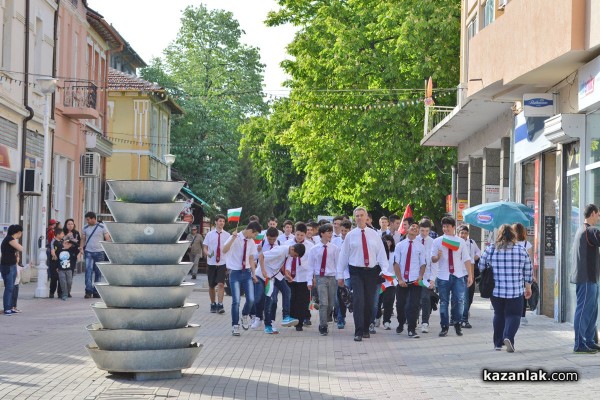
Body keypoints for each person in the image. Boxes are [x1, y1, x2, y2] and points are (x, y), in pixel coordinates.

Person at [337, 207, 388, 342]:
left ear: (366, 218)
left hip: (372, 272)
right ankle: (358, 331)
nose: (359, 218)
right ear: (354, 218)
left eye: (362, 215)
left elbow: (381, 254)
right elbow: (343, 256)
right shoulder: (350, 235)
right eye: (357, 216)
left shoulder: (374, 235)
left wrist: (385, 270)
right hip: (356, 272)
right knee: (359, 300)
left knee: (369, 302)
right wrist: (340, 275)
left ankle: (366, 328)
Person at [479, 224, 533, 352]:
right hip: (515, 290)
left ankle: (498, 344)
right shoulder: (520, 250)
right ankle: (508, 336)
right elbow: (528, 270)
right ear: (513, 236)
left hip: (496, 291)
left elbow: (481, 266)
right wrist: (528, 287)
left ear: (499, 235)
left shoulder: (491, 249)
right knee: (514, 315)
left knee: (498, 314)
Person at [431, 216, 473, 337]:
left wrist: (470, 275)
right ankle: (444, 326)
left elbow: (466, 258)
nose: (445, 229)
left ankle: (457, 323)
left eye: (448, 227)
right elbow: (432, 259)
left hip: (458, 275)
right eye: (444, 227)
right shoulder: (437, 241)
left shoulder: (460, 241)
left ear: (453, 227)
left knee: (459, 301)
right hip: (443, 276)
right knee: (444, 302)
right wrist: (438, 257)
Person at [570, 204, 600, 354]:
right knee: (583, 311)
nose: (599, 218)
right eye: (598, 215)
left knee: (592, 311)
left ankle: (589, 340)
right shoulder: (589, 230)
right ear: (593, 214)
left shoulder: (581, 230)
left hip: (590, 278)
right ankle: (579, 343)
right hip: (586, 278)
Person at [223, 221, 261, 336]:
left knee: (251, 299)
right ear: (250, 231)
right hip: (235, 272)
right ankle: (235, 325)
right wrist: (233, 239)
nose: (254, 237)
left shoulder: (251, 242)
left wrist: (254, 274)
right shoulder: (235, 237)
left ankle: (244, 315)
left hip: (247, 272)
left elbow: (250, 258)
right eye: (254, 234)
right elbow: (224, 250)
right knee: (236, 301)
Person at [258, 243, 305, 334]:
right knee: (269, 299)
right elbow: (261, 256)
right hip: (267, 275)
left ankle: (286, 316)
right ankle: (267, 326)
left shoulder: (288, 253)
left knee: (287, 291)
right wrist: (263, 270)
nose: (294, 257)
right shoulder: (280, 251)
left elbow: (279, 264)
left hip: (275, 274)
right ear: (292, 248)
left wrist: (287, 274)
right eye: (295, 255)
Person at [393, 222, 426, 338]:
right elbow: (396, 263)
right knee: (400, 305)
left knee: (413, 305)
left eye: (417, 228)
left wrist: (420, 276)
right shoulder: (400, 245)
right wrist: (400, 279)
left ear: (418, 233)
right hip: (402, 280)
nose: (414, 228)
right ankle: (401, 322)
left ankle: (412, 329)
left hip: (415, 280)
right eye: (412, 227)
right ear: (407, 230)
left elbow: (423, 264)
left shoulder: (420, 247)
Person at [308, 223, 340, 336]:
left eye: (331, 232)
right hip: (320, 277)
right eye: (328, 232)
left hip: (332, 278)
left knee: (331, 303)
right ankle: (323, 325)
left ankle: (326, 318)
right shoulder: (314, 249)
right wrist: (309, 280)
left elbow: (338, 264)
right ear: (322, 233)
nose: (330, 234)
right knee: (323, 303)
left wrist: (340, 278)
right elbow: (310, 266)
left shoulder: (334, 248)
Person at [284, 222, 314, 331]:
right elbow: (286, 259)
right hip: (290, 276)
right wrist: (286, 272)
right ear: (294, 233)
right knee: (292, 298)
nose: (299, 237)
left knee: (302, 300)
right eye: (297, 234)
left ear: (305, 234)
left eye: (302, 235)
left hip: (303, 276)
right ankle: (292, 318)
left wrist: (312, 278)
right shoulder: (288, 244)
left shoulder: (310, 246)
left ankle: (300, 323)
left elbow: (312, 263)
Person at [203, 214, 231, 314]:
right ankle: (213, 303)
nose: (222, 223)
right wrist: (208, 254)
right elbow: (205, 248)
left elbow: (229, 249)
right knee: (211, 286)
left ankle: (220, 304)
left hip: (222, 263)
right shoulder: (209, 234)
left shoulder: (227, 235)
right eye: (220, 221)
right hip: (211, 262)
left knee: (221, 284)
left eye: (223, 221)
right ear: (216, 222)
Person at [81, 212, 110, 299]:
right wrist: (81, 248)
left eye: (88, 219)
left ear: (93, 218)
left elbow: (107, 238)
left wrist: (108, 247)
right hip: (88, 252)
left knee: (98, 272)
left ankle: (96, 291)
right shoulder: (85, 228)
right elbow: (83, 239)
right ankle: (88, 291)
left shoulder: (102, 227)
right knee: (88, 271)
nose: (87, 221)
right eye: (86, 219)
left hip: (99, 252)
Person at [457, 225, 481, 329]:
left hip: (468, 272)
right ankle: (461, 319)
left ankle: (464, 317)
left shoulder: (471, 243)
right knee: (459, 298)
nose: (463, 235)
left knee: (468, 298)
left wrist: (474, 257)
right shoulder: (455, 242)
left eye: (465, 233)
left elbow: (479, 252)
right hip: (457, 273)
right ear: (458, 233)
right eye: (461, 233)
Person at [417, 219, 436, 333]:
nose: (424, 233)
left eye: (426, 231)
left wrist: (433, 279)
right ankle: (413, 319)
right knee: (414, 300)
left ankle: (425, 322)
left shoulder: (433, 242)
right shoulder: (414, 241)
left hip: (427, 276)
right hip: (415, 276)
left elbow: (435, 263)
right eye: (422, 230)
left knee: (425, 298)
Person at [513, 222, 534, 326]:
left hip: (518, 273)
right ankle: (521, 316)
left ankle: (521, 315)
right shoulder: (525, 244)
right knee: (520, 295)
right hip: (519, 273)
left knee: (521, 295)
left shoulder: (525, 244)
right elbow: (530, 262)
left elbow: (530, 261)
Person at [333, 219, 352, 329]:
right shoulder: (335, 242)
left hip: (348, 274)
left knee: (345, 296)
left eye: (346, 231)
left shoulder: (352, 241)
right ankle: (340, 317)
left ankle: (341, 317)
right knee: (337, 298)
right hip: (337, 273)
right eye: (342, 231)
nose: (344, 233)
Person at [1, 225, 23, 315]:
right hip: (8, 266)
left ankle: (11, 307)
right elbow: (21, 248)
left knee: (12, 287)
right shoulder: (9, 239)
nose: (21, 234)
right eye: (21, 232)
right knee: (9, 288)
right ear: (17, 232)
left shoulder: (10, 240)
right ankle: (7, 308)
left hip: (12, 265)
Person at [380, 234, 397, 330]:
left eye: (389, 241)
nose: (387, 243)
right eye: (385, 241)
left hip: (391, 281)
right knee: (377, 302)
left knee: (389, 302)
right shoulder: (379, 253)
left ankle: (386, 321)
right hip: (380, 281)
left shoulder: (395, 253)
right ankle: (377, 316)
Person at [49, 228, 65, 298]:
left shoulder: (62, 241)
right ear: (58, 235)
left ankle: (60, 293)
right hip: (54, 263)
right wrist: (54, 255)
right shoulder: (53, 241)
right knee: (54, 278)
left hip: (61, 262)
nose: (63, 235)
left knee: (61, 278)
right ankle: (52, 292)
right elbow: (52, 250)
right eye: (62, 234)